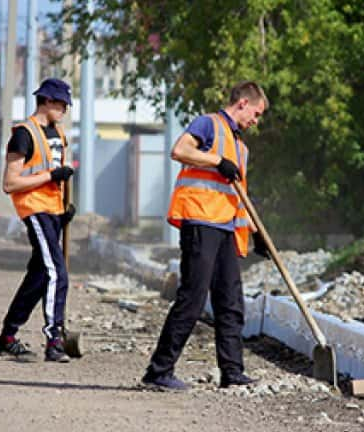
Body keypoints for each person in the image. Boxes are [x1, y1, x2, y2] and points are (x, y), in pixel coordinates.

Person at [142, 81, 271, 390]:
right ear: (242, 103)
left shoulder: (241, 147)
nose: (256, 120)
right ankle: (159, 371)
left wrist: (257, 233)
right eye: (256, 113)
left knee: (231, 301)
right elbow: (180, 150)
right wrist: (216, 160)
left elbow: (237, 195)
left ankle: (232, 371)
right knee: (193, 297)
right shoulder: (208, 124)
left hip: (226, 227)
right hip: (200, 220)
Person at [0, 78, 76, 363]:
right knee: (57, 273)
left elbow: (56, 172)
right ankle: (54, 339)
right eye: (62, 104)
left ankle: (8, 337)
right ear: (47, 101)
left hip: (52, 210)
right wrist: (52, 177)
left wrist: (64, 210)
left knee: (40, 275)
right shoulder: (23, 134)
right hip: (34, 209)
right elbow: (10, 183)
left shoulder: (58, 132)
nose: (65, 109)